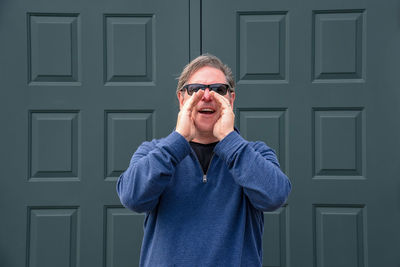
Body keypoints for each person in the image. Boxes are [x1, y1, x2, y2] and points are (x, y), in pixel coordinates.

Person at [116, 54, 291, 267]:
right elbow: (131, 197)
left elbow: (275, 196)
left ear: (231, 99)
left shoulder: (255, 153)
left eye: (219, 90)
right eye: (196, 89)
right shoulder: (154, 152)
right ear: (182, 99)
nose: (207, 96)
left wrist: (229, 140)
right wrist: (177, 141)